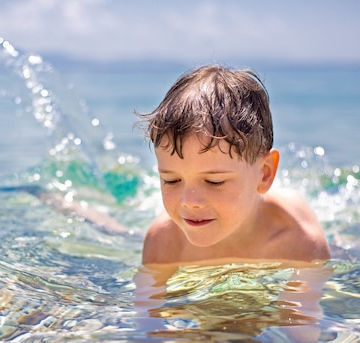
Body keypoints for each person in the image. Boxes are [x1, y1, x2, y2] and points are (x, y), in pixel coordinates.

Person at [139, 64, 330, 265]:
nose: (189, 201)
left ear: (264, 174)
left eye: (214, 182)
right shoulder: (164, 242)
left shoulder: (298, 240)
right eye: (172, 180)